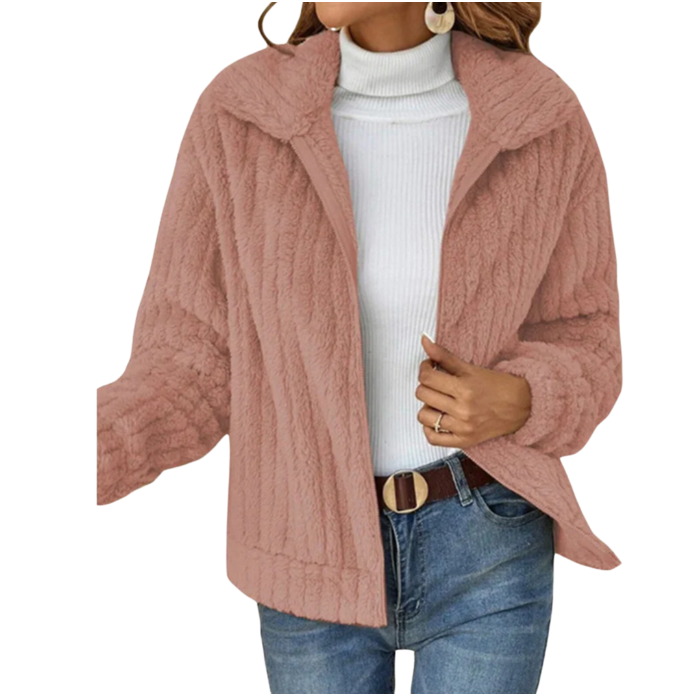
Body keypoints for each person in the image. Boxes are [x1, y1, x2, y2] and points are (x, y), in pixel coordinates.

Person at [97, 2, 623, 693]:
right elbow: (190, 360)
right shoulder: (241, 115)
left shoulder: (539, 116)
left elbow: (587, 335)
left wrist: (525, 397)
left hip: (488, 540)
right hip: (306, 542)